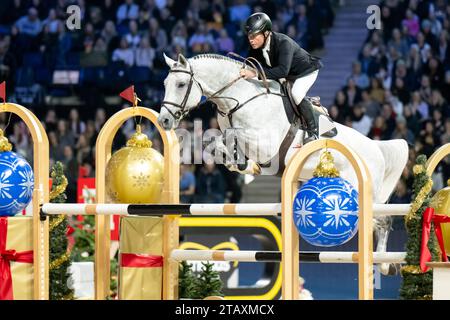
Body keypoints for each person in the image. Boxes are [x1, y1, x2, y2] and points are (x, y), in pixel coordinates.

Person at [240, 12, 328, 138]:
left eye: (254, 36)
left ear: (266, 33)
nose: (251, 40)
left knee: (296, 94)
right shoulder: (256, 47)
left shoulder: (283, 42)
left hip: (305, 71)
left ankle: (313, 132)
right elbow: (249, 63)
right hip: (287, 74)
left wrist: (255, 73)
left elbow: (282, 71)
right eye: (249, 36)